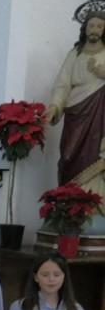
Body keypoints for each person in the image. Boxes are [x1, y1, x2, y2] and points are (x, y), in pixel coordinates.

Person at [48, 11, 105, 185]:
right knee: (68, 155)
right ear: (85, 29)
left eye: (100, 26)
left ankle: (96, 201)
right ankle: (69, 201)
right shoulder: (75, 53)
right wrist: (55, 106)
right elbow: (63, 84)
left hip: (100, 112)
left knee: (97, 156)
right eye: (91, 25)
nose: (95, 29)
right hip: (76, 112)